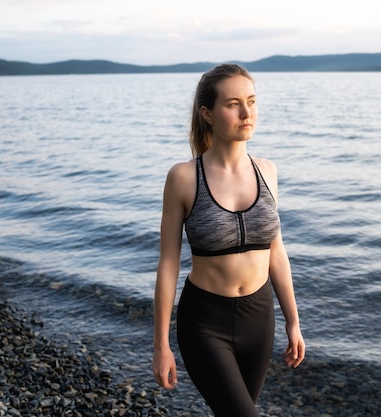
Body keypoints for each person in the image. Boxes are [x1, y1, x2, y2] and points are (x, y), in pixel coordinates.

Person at [152, 63, 305, 416]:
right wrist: (161, 342)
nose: (246, 112)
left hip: (258, 318)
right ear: (207, 113)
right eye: (233, 104)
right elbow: (168, 263)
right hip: (205, 322)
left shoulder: (267, 170)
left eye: (251, 101)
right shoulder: (184, 177)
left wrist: (293, 322)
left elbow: (276, 252)